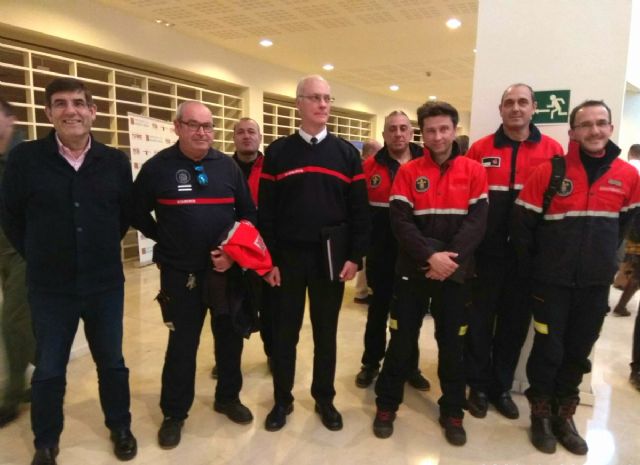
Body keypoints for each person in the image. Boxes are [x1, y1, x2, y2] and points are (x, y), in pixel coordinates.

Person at [0, 77, 136, 465]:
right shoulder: (26, 160)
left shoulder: (114, 161)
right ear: (48, 113)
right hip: (50, 287)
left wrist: (96, 249)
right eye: (60, 103)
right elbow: (11, 217)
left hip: (104, 284)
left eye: (78, 103)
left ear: (93, 111)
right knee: (49, 368)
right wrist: (40, 254)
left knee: (112, 362)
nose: (70, 110)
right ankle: (46, 441)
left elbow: (122, 216)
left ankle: (120, 426)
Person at [512, 100, 640, 455]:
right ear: (572, 132)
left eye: (601, 123)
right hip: (550, 285)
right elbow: (522, 229)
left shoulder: (629, 177)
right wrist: (537, 270)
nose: (594, 130)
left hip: (594, 286)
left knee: (578, 352)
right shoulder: (549, 172)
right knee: (548, 350)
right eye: (585, 124)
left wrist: (605, 263)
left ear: (610, 128)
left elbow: (623, 228)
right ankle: (540, 414)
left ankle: (564, 416)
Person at [132, 101, 257, 449]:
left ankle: (228, 397)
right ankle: (174, 413)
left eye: (208, 126)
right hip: (180, 274)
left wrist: (232, 253)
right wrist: (164, 238)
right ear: (177, 127)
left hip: (224, 271)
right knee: (183, 345)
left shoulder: (228, 167)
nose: (202, 132)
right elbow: (135, 211)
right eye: (193, 125)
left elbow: (248, 215)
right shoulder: (158, 168)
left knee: (230, 338)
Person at [373, 101, 488, 446]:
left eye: (444, 129)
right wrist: (429, 257)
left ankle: (452, 410)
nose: (437, 136)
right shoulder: (408, 172)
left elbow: (476, 223)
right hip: (413, 270)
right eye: (431, 130)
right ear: (421, 133)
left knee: (452, 345)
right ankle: (386, 405)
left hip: (455, 273)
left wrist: (448, 261)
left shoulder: (474, 171)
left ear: (454, 131)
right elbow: (401, 223)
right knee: (401, 340)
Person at [258, 75, 369, 432]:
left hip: (330, 259)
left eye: (327, 98)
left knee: (326, 333)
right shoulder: (278, 153)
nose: (323, 104)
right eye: (315, 98)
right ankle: (282, 400)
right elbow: (266, 213)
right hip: (287, 259)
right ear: (299, 103)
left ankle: (325, 398)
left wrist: (355, 256)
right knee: (284, 334)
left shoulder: (347, 155)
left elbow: (359, 211)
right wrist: (269, 261)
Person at [464, 83, 564, 420]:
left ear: (534, 107)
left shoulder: (552, 151)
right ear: (501, 109)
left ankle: (501, 387)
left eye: (523, 102)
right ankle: (477, 386)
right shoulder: (480, 149)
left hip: (527, 259)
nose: (516, 108)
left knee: (514, 326)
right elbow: (467, 201)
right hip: (485, 256)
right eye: (509, 102)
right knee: (479, 323)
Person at [355, 111, 430, 391]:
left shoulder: (427, 161)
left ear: (411, 132)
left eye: (403, 128)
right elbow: (360, 213)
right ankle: (371, 363)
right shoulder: (369, 167)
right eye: (392, 129)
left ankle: (410, 365)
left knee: (412, 314)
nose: (398, 133)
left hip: (416, 253)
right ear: (384, 134)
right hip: (381, 254)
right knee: (378, 311)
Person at [0, 98, 34, 428]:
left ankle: (11, 397)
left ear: (10, 118)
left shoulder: (27, 158)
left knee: (11, 321)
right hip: (3, 253)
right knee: (25, 322)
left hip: (25, 252)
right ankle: (48, 369)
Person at [611, 144, 640, 317]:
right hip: (637, 225)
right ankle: (620, 305)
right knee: (637, 271)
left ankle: (620, 301)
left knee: (631, 264)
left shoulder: (628, 169)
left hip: (632, 224)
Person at [353, 139, 383, 305]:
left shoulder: (361, 166)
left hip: (367, 219)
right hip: (367, 219)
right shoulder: (365, 168)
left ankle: (362, 291)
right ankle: (362, 292)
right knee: (365, 258)